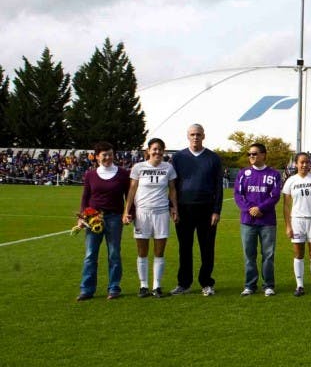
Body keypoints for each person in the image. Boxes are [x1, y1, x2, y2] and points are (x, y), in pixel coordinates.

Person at [170, 124, 224, 296]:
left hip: (206, 209)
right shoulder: (178, 157)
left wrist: (216, 210)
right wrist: (173, 208)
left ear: (203, 136)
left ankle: (206, 283)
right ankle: (184, 283)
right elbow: (172, 186)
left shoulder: (213, 158)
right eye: (192, 134)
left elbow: (218, 186)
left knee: (207, 248)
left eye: (198, 134)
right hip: (184, 209)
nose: (195, 137)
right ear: (188, 136)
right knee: (184, 248)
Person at [123, 138, 178, 299]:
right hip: (142, 213)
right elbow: (132, 190)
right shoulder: (138, 167)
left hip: (161, 213)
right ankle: (143, 286)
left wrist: (175, 208)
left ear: (163, 151)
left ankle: (157, 286)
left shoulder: (168, 168)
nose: (157, 152)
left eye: (160, 149)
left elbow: (172, 190)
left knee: (159, 252)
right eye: (154, 149)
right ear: (148, 151)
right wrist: (126, 211)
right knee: (142, 251)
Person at [76, 141, 131, 301]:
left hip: (114, 218)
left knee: (114, 254)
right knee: (90, 255)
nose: (108, 157)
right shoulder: (90, 175)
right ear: (97, 156)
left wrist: (128, 213)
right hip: (93, 218)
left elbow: (129, 197)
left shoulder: (123, 174)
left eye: (110, 154)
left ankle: (114, 288)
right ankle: (87, 289)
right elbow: (85, 197)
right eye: (104, 155)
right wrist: (82, 217)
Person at [234, 143, 282, 297]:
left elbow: (275, 196)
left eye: (254, 153)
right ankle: (250, 285)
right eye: (249, 154)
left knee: (268, 255)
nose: (251, 156)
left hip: (267, 221)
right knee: (249, 255)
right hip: (247, 221)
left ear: (263, 155)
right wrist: (250, 209)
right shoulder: (243, 173)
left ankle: (268, 285)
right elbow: (238, 195)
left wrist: (261, 208)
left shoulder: (274, 174)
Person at [283, 152, 311, 297]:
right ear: (296, 164)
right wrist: (288, 226)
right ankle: (300, 285)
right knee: (298, 254)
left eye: (307, 162)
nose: (305, 164)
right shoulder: (290, 181)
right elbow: (286, 206)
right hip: (297, 221)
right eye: (302, 162)